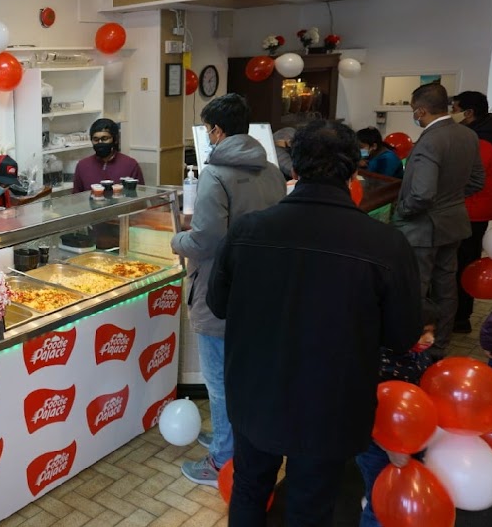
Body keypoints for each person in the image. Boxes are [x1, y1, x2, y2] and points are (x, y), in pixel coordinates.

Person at [206, 120, 422, 526]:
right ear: (353, 169)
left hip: (255, 391)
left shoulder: (249, 230)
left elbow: (218, 305)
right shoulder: (386, 244)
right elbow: (402, 334)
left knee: (249, 489)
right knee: (311, 505)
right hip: (332, 402)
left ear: (294, 167)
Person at [171, 93, 286, 487]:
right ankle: (231, 438)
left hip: (219, 290)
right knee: (244, 375)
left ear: (217, 130)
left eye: (208, 129)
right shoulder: (271, 171)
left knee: (219, 382)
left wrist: (176, 240)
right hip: (261, 288)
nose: (208, 136)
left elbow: (205, 241)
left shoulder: (216, 175)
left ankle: (222, 459)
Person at [394, 83, 485, 359]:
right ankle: (440, 344)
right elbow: (477, 181)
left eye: (414, 110)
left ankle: (413, 347)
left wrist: (403, 211)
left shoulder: (430, 140)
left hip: (422, 228)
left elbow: (421, 194)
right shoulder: (468, 135)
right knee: (446, 286)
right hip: (453, 223)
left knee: (417, 288)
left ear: (421, 110)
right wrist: (449, 200)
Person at [357, 300, 437, 527]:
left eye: (433, 331)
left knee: (404, 495)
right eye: (423, 333)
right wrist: (389, 446)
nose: (429, 339)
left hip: (413, 439)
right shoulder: (378, 364)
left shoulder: (419, 355)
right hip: (380, 447)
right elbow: (369, 413)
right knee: (381, 502)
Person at [451, 91, 492, 333]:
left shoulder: (480, 140)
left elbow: (468, 178)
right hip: (478, 209)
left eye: (455, 109)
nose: (451, 113)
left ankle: (460, 318)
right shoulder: (486, 132)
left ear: (468, 113)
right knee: (465, 262)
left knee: (462, 264)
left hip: (471, 210)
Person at [72, 119, 144, 193]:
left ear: (115, 139)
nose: (100, 142)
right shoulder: (82, 166)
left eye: (105, 139)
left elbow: (141, 194)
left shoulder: (130, 164)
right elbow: (76, 197)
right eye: (96, 139)